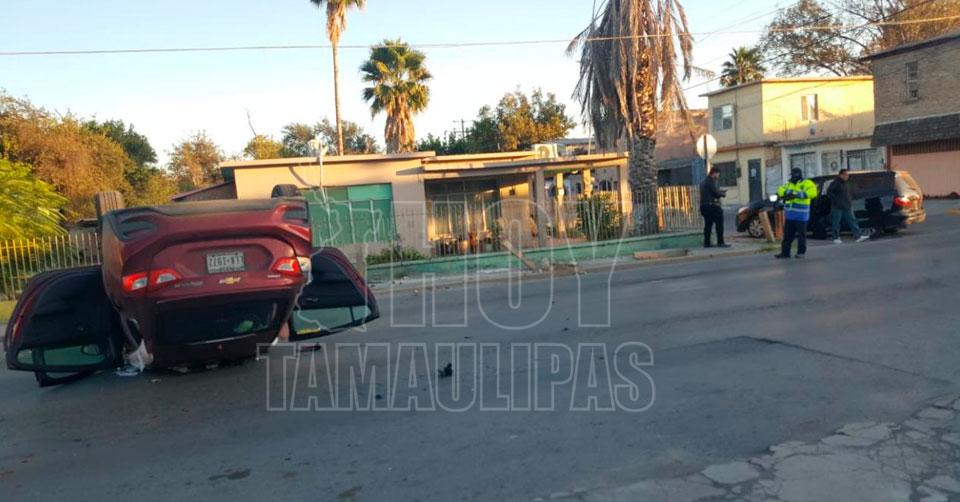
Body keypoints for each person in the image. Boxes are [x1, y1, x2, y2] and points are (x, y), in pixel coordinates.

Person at [774, 168, 818, 259]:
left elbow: (813, 193)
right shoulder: (788, 184)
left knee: (801, 235)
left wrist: (798, 194)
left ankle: (801, 252)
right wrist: (787, 192)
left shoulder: (807, 183)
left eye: (795, 174)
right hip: (790, 215)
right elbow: (780, 190)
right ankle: (785, 253)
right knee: (787, 235)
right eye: (793, 175)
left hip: (801, 215)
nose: (794, 176)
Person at [827, 169, 870, 244]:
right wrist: (836, 201)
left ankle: (858, 236)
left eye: (848, 175)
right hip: (837, 206)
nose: (847, 176)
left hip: (847, 205)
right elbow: (829, 193)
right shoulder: (835, 183)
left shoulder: (848, 183)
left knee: (853, 220)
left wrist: (851, 199)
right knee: (836, 222)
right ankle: (835, 237)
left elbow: (850, 193)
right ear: (841, 175)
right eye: (845, 175)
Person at [699, 167, 729, 248]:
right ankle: (720, 242)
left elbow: (710, 192)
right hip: (711, 206)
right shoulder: (710, 181)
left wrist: (719, 192)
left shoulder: (703, 182)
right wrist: (722, 194)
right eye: (718, 174)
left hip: (704, 206)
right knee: (719, 222)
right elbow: (716, 193)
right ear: (714, 173)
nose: (718, 176)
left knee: (708, 224)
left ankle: (707, 243)